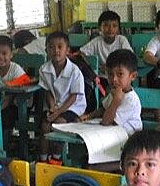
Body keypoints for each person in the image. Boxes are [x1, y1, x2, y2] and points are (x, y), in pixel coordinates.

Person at [39, 31, 86, 160]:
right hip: (54, 105)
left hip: (72, 106)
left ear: (67, 50)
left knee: (58, 124)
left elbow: (73, 97)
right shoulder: (44, 69)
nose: (56, 51)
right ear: (46, 50)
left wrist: (58, 111)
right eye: (51, 47)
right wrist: (52, 107)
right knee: (45, 126)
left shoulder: (74, 71)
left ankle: (56, 157)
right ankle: (43, 158)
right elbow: (47, 91)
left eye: (60, 47)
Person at [84, 49, 142, 134]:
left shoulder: (131, 100)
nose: (114, 79)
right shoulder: (115, 91)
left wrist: (116, 100)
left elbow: (107, 122)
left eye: (120, 74)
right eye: (110, 74)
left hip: (130, 139)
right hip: (115, 133)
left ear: (133, 76)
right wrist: (87, 117)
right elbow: (103, 109)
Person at [80, 10, 132, 77]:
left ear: (119, 29)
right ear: (99, 28)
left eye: (114, 26)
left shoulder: (122, 40)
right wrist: (95, 67)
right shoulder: (96, 42)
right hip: (102, 78)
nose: (110, 29)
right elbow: (81, 53)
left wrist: (112, 66)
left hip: (119, 77)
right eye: (106, 25)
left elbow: (129, 56)